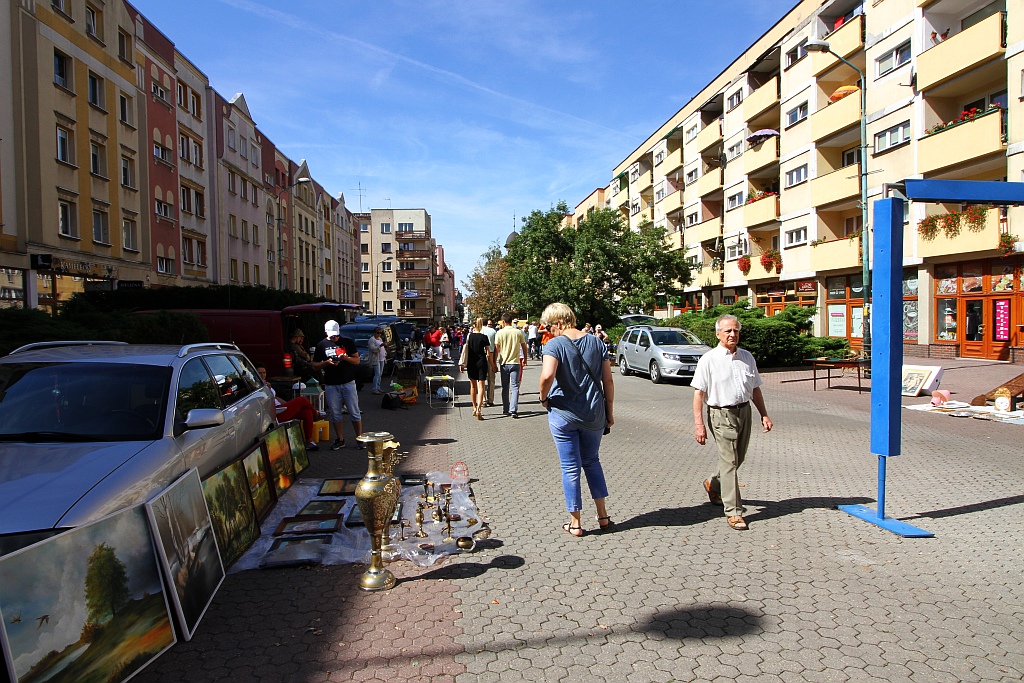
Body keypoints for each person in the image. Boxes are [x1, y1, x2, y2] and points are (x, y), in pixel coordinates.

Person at [538, 302, 614, 537]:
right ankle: (603, 516)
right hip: (593, 414)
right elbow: (608, 381)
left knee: (570, 467)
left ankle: (575, 522)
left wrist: (543, 398)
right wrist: (609, 412)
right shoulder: (597, 342)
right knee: (592, 461)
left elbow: (547, 375)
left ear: (559, 322)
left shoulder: (555, 344)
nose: (549, 331)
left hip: (563, 413)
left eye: (550, 326)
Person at [691, 314, 773, 531]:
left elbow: (755, 389)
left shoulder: (747, 357)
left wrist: (764, 414)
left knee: (738, 459)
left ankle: (713, 483)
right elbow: (699, 394)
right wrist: (699, 424)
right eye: (727, 331)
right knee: (729, 462)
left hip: (744, 412)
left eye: (735, 330)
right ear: (718, 334)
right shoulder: (708, 359)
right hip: (720, 414)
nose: (732, 334)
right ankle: (734, 511)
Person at [313, 320, 364, 450]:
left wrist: (345, 358)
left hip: (348, 381)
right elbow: (314, 365)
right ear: (326, 332)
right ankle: (340, 439)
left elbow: (357, 360)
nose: (334, 338)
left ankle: (359, 438)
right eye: (332, 335)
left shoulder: (347, 341)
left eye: (336, 335)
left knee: (354, 411)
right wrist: (327, 363)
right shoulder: (321, 345)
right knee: (335, 413)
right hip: (331, 383)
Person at [255, 363, 320, 451]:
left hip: (282, 408)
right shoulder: (257, 387)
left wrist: (288, 404)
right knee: (301, 399)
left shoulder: (266, 383)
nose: (262, 375)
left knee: (307, 413)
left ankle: (309, 441)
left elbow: (275, 397)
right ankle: (316, 414)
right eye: (259, 373)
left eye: (264, 373)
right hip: (276, 413)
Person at [460, 318, 496, 420]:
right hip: (482, 362)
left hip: (471, 362)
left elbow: (465, 349)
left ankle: (474, 406)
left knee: (472, 386)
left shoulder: (469, 336)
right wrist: (493, 365)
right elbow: (489, 354)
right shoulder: (484, 337)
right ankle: (479, 410)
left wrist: (462, 364)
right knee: (481, 386)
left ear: (474, 326)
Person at [495, 312, 529, 418]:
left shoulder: (499, 333)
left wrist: (494, 362)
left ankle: (506, 409)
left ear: (504, 322)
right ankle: (513, 410)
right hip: (515, 363)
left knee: (505, 387)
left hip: (504, 363)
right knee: (515, 387)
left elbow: (497, 349)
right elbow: (524, 346)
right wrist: (525, 359)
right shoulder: (518, 332)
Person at [481, 318, 498, 407]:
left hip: (480, 356)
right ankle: (490, 399)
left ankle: (483, 399)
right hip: (490, 353)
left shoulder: (478, 330)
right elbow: (496, 347)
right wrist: (494, 361)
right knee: (491, 379)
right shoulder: (493, 331)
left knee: (481, 378)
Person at [367, 327, 387, 394]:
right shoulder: (372, 340)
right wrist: (380, 346)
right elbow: (372, 349)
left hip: (381, 357)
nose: (379, 334)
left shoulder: (380, 339)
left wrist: (384, 352)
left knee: (380, 374)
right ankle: (374, 388)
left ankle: (378, 387)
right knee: (377, 373)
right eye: (378, 333)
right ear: (374, 332)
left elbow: (383, 348)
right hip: (376, 358)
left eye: (380, 333)